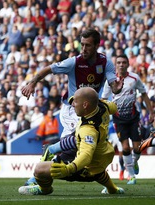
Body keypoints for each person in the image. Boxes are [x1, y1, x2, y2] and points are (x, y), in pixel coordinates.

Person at [21, 28, 123, 184]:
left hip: (90, 109)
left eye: (88, 45)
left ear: (96, 45)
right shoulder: (73, 62)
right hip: (73, 109)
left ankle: (47, 162)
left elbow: (114, 86)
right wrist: (32, 83)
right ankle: (39, 177)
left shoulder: (105, 62)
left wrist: (118, 87)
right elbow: (49, 69)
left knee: (76, 146)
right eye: (82, 45)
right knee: (74, 144)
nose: (83, 49)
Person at [18, 87, 125, 195]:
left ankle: (44, 189)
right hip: (101, 155)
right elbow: (114, 107)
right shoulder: (103, 106)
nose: (72, 105)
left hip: (86, 169)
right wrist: (55, 147)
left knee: (40, 169)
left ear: (85, 105)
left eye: (75, 102)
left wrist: (69, 168)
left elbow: (86, 156)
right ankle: (112, 189)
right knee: (66, 146)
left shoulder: (88, 130)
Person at [101, 54, 154, 185]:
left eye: (124, 62)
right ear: (115, 65)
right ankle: (131, 175)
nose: (121, 65)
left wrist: (151, 112)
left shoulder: (134, 78)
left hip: (134, 117)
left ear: (127, 64)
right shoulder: (110, 81)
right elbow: (103, 99)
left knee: (137, 148)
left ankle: (134, 162)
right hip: (119, 118)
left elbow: (143, 94)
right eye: (118, 62)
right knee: (125, 148)